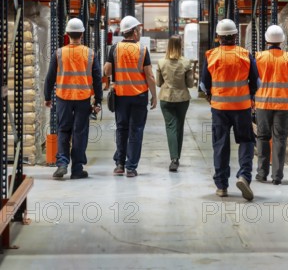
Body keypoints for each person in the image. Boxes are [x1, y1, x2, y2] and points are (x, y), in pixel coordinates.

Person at [200, 19, 258, 200]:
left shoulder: (211, 55)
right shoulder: (245, 55)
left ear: (218, 37)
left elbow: (203, 84)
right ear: (235, 36)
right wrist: (250, 96)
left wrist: (211, 95)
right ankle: (244, 176)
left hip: (219, 108)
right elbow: (257, 82)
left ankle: (221, 186)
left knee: (221, 145)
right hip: (242, 107)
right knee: (246, 142)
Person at [44, 18, 102, 180]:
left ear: (67, 34)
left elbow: (50, 77)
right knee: (80, 132)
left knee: (63, 129)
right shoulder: (90, 53)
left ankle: (62, 163)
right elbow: (97, 78)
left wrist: (47, 97)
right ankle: (77, 169)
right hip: (83, 98)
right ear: (82, 34)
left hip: (63, 97)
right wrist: (98, 100)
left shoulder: (59, 53)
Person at [104, 15, 157, 177]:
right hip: (139, 96)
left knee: (122, 129)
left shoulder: (114, 48)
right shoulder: (142, 49)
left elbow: (106, 71)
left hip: (121, 96)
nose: (140, 32)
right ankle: (131, 167)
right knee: (136, 130)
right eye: (139, 30)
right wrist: (154, 95)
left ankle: (120, 164)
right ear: (133, 32)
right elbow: (149, 75)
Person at [255, 24, 288, 185]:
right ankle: (277, 177)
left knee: (262, 137)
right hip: (282, 105)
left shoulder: (259, 57)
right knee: (280, 139)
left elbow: (255, 81)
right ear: (282, 41)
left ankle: (261, 174)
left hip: (263, 104)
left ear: (267, 39)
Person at [156, 35, 194, 172]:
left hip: (166, 98)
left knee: (170, 127)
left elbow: (158, 83)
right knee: (179, 126)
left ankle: (174, 158)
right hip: (182, 99)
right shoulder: (186, 63)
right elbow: (190, 84)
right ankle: (177, 157)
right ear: (180, 45)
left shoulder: (161, 62)